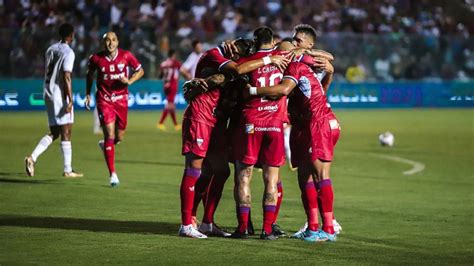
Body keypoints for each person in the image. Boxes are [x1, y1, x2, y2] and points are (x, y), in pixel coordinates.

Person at [179, 38, 289, 239]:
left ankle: (207, 223)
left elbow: (227, 78)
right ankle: (187, 223)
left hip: (219, 124)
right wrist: (269, 59)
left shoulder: (240, 72)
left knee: (221, 171)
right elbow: (232, 71)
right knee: (195, 169)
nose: (240, 59)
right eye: (240, 55)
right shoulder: (215, 53)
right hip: (201, 116)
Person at [248, 25, 340, 242]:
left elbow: (284, 90)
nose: (291, 47)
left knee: (320, 176)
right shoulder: (298, 65)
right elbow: (320, 86)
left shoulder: (298, 67)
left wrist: (251, 91)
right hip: (303, 125)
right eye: (292, 43)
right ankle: (313, 227)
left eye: (296, 43)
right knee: (304, 177)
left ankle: (328, 228)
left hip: (318, 123)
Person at [232, 27, 289, 240]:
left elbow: (238, 71)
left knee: (243, 177)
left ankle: (243, 228)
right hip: (275, 123)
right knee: (271, 180)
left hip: (251, 123)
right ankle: (267, 229)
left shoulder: (250, 60)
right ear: (273, 39)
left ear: (255, 41)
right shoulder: (284, 58)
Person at [85, 32, 144, 187]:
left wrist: (129, 80)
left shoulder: (126, 56)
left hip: (121, 101)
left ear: (117, 42)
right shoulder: (96, 59)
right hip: (104, 100)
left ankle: (105, 144)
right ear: (103, 43)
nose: (110, 43)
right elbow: (90, 75)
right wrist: (87, 94)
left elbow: (140, 70)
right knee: (109, 134)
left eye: (113, 40)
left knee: (119, 137)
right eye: (107, 40)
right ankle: (113, 174)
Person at [24, 23, 83, 178]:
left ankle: (32, 158)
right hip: (59, 94)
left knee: (55, 132)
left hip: (47, 92)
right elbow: (66, 76)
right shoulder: (69, 52)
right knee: (67, 130)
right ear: (71, 35)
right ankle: (68, 169)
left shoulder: (50, 49)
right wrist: (69, 99)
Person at [157, 49, 182, 131]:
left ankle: (176, 125)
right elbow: (182, 69)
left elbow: (160, 76)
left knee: (171, 105)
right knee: (170, 105)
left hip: (165, 85)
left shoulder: (163, 64)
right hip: (172, 84)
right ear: (173, 55)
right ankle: (160, 123)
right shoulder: (175, 63)